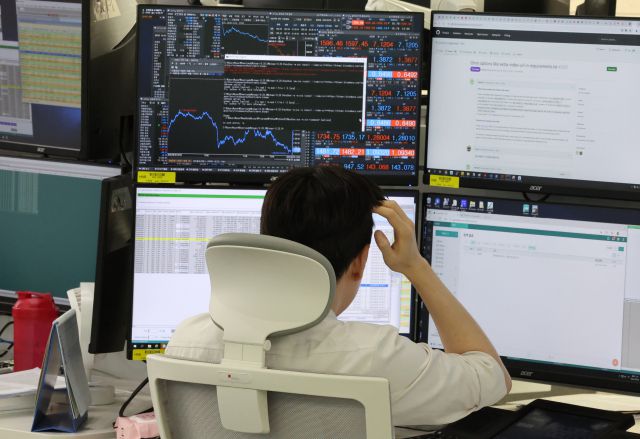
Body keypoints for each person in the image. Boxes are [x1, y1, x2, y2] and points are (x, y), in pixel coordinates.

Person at [165, 166, 511, 426]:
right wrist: (415, 266)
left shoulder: (186, 343)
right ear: (360, 261)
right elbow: (493, 376)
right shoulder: (376, 359)